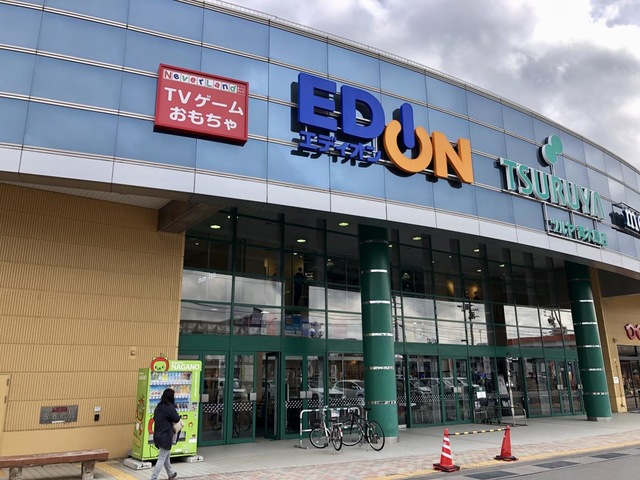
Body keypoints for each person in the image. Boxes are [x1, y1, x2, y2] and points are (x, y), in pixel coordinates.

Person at [150, 388, 180, 480]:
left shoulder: (159, 406)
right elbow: (176, 419)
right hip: (165, 436)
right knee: (162, 458)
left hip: (158, 435)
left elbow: (155, 418)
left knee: (166, 456)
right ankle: (153, 477)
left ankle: (171, 474)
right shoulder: (170, 407)